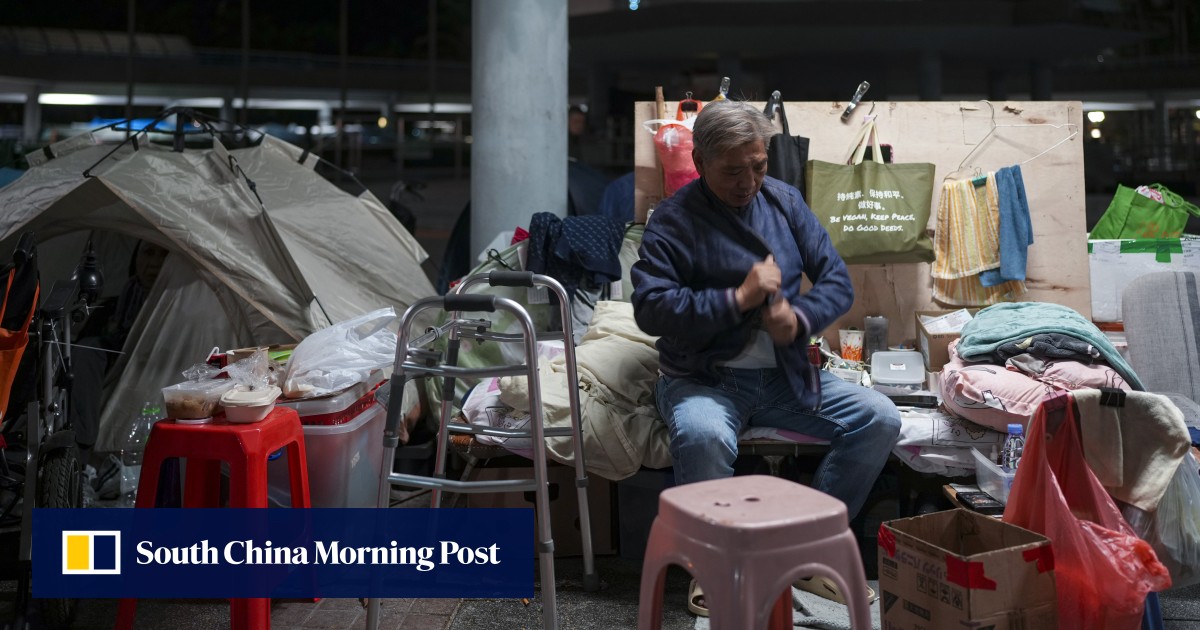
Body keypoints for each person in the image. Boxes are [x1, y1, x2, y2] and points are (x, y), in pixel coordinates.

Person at [631, 100, 900, 612]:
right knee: (704, 434)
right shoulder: (672, 218)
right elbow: (650, 308)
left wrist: (798, 319)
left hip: (783, 377)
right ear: (702, 160)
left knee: (880, 419)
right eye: (733, 171)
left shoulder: (785, 201)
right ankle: (710, 566)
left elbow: (837, 282)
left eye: (758, 165)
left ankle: (808, 554)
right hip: (702, 378)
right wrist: (738, 299)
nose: (749, 181)